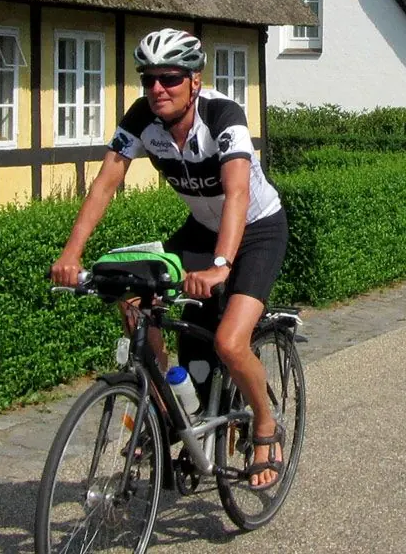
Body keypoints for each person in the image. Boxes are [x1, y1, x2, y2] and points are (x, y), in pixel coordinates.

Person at [49, 27, 289, 490]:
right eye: (149, 78)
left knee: (230, 343)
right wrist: (71, 254)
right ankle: (164, 410)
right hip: (202, 229)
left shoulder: (223, 116)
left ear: (194, 81)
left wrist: (221, 265)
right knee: (132, 298)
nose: (157, 88)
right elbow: (105, 184)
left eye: (170, 78)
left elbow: (237, 193)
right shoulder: (142, 118)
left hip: (258, 229)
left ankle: (264, 423)